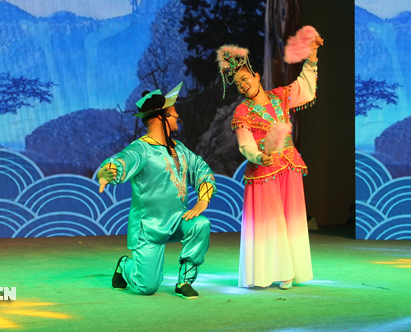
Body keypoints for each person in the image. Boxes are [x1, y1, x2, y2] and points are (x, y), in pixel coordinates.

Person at [216, 34, 323, 289]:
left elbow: (304, 87)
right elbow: (245, 144)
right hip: (263, 170)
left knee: (291, 219)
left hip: (289, 165)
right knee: (271, 221)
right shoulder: (243, 111)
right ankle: (273, 272)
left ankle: (292, 270)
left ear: (256, 77)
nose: (243, 85)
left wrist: (312, 56)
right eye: (238, 84)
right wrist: (259, 156)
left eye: (245, 79)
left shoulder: (280, 97)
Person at [97, 82, 216, 299]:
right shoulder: (141, 149)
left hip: (178, 219)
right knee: (147, 287)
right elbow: (123, 161)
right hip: (149, 227)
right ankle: (125, 265)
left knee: (201, 224)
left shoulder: (179, 149)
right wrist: (109, 171)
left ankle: (185, 280)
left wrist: (203, 199)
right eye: (173, 112)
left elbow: (201, 170)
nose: (177, 115)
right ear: (161, 117)